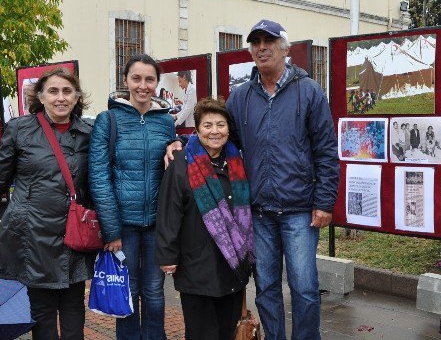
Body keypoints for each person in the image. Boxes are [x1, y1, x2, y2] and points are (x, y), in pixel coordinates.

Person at [168, 20, 339, 339]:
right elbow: (218, 136)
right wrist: (181, 144)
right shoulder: (241, 97)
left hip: (300, 211)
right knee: (267, 288)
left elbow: (327, 151)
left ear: (285, 48)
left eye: (269, 41)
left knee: (304, 288)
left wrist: (324, 202)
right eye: (255, 42)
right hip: (258, 212)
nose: (262, 47)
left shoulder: (309, 92)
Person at [0, 68, 94, 340]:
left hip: (74, 233)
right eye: (53, 91)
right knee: (41, 310)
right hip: (33, 235)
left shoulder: (89, 132)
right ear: (40, 96)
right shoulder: (20, 129)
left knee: (74, 304)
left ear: (77, 97)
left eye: (67, 91)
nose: (60, 98)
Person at [89, 54, 176, 340]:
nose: (142, 85)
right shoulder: (108, 119)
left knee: (153, 291)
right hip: (122, 226)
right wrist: (111, 229)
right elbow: (99, 177)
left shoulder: (165, 122)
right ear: (125, 81)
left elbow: (173, 166)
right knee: (126, 290)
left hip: (156, 224)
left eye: (149, 79)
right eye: (136, 78)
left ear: (157, 83)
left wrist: (179, 142)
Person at [156, 98, 254, 339]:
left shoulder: (237, 162)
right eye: (207, 125)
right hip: (196, 265)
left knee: (226, 331)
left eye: (220, 125)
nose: (214, 131)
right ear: (197, 129)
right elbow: (169, 211)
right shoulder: (181, 162)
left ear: (228, 129)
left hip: (232, 266)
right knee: (201, 332)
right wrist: (168, 255)